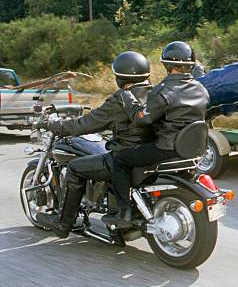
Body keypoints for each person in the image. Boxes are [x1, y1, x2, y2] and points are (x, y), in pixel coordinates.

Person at [35, 51, 155, 238]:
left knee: (75, 168)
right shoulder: (157, 93)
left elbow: (82, 125)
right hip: (149, 153)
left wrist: (53, 125)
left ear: (120, 77)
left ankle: (62, 224)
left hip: (124, 157)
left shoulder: (121, 99)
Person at [103, 41, 209, 228]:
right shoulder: (201, 89)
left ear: (166, 65)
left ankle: (124, 212)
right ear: (190, 63)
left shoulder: (163, 91)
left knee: (120, 160)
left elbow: (142, 118)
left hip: (168, 148)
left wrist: (127, 96)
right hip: (194, 149)